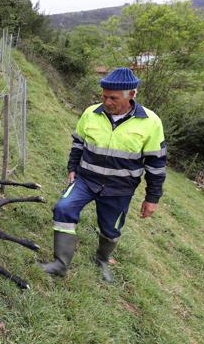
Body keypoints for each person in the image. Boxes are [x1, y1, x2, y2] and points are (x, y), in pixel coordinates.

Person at [39, 67, 166, 282]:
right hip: (85, 180)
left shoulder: (151, 123)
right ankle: (60, 264)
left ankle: (102, 259)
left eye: (113, 98)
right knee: (63, 208)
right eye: (104, 96)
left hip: (119, 190)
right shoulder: (91, 113)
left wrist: (152, 198)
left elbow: (156, 164)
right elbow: (78, 144)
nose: (107, 102)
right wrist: (72, 168)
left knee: (111, 230)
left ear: (132, 95)